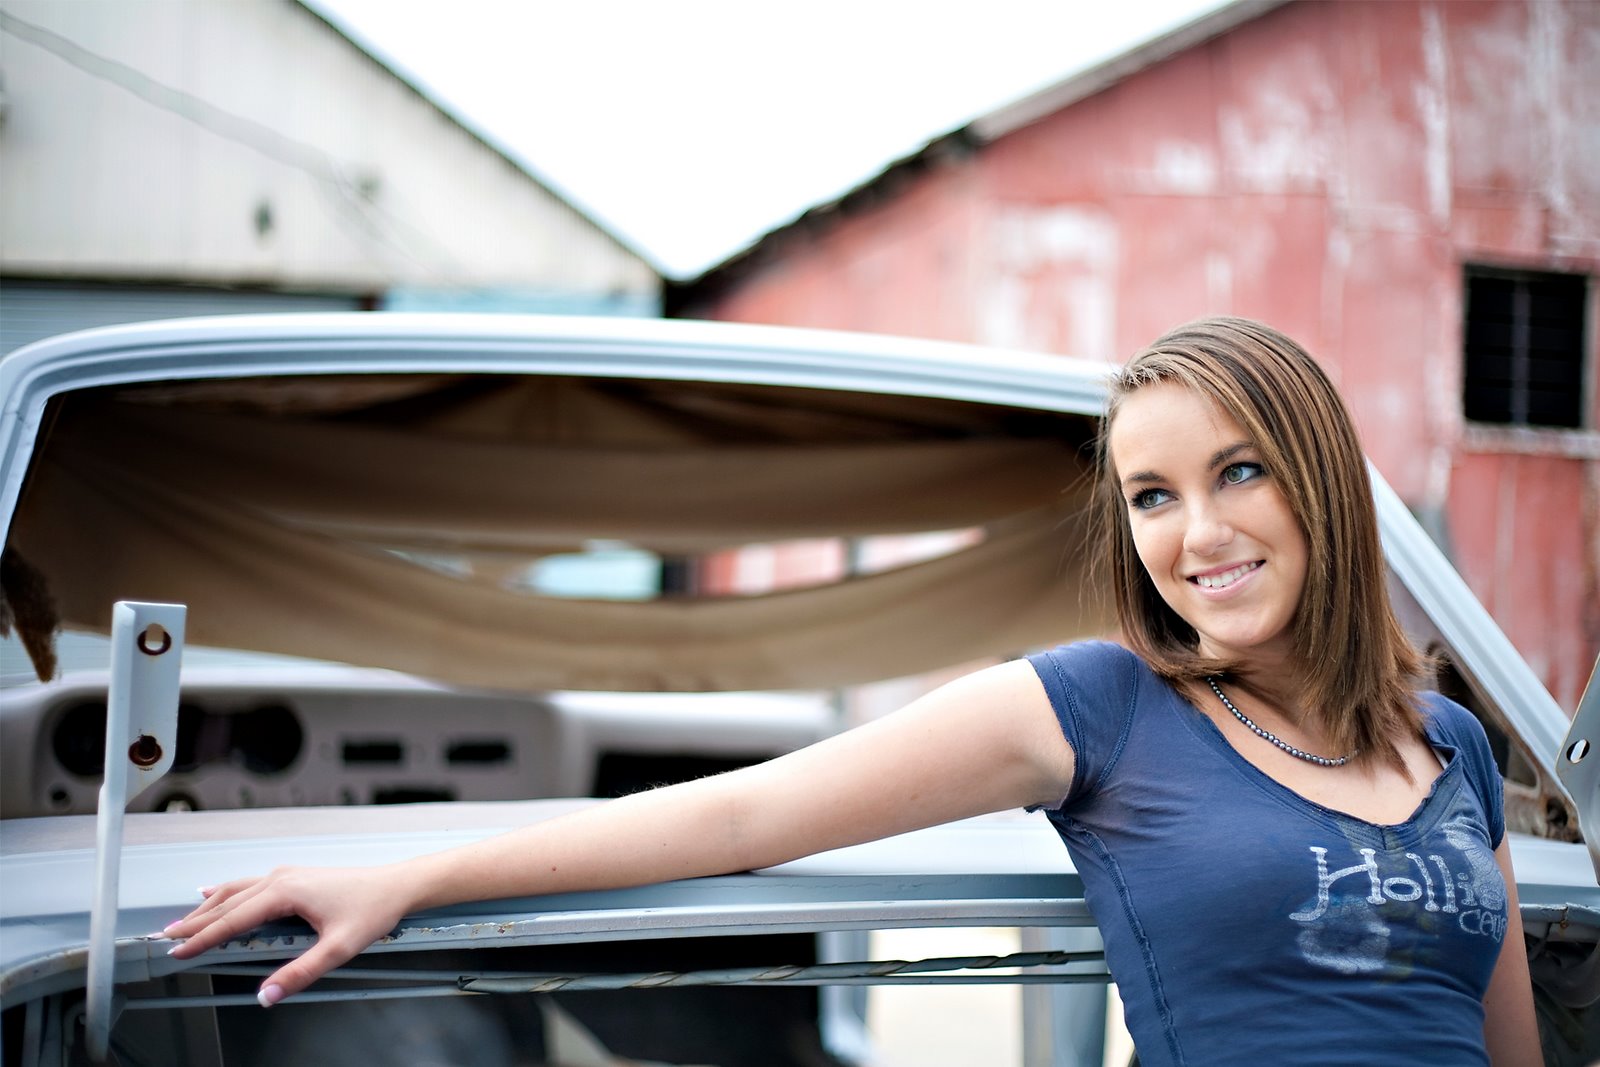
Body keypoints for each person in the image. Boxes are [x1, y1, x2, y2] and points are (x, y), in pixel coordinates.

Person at [164, 317, 1540, 1066]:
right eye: (1152, 496)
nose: (1199, 534)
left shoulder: (1455, 747)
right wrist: (410, 878)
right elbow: (744, 817)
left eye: (1239, 471)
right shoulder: (1107, 707)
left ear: (1321, 476)